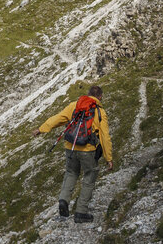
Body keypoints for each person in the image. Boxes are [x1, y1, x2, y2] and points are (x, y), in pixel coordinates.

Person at [33, 84, 113, 223]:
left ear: (88, 94)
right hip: (87, 149)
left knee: (71, 172)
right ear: (100, 97)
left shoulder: (75, 105)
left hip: (70, 146)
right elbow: (104, 136)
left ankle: (63, 201)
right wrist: (108, 158)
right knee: (90, 175)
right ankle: (81, 212)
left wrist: (41, 129)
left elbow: (58, 118)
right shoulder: (100, 112)